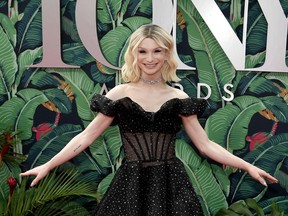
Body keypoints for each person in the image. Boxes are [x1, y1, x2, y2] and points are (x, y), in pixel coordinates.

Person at [21, 24, 278, 216]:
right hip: (131, 184)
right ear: (134, 54)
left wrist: (247, 166)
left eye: (157, 51)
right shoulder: (119, 93)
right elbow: (86, 136)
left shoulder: (178, 96)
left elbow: (205, 145)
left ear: (167, 54)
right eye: (143, 51)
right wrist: (49, 165)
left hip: (171, 184)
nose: (150, 58)